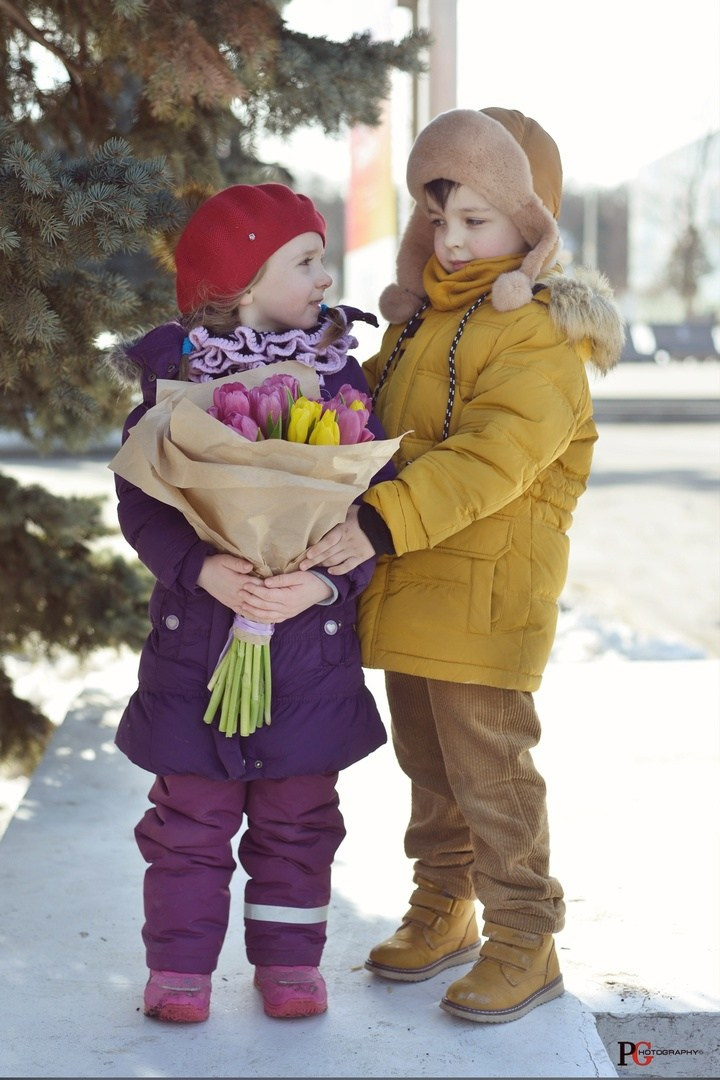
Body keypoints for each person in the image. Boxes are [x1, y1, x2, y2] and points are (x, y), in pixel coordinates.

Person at [300, 108, 625, 1024]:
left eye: (474, 220)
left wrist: (379, 521)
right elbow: (374, 425)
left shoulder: (540, 339)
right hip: (412, 582)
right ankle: (446, 902)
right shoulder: (425, 323)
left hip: (484, 593)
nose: (449, 241)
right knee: (428, 763)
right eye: (436, 219)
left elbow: (489, 457)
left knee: (490, 769)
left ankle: (527, 934)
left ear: (532, 222)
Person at [109, 183, 392, 1023]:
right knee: (189, 817)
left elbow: (364, 504)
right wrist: (201, 568)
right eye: (303, 260)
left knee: (300, 817)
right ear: (238, 284)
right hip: (200, 647)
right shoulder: (181, 378)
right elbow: (144, 501)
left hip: (308, 650)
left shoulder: (341, 380)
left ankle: (291, 963)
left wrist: (328, 579)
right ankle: (181, 969)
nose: (324, 274)